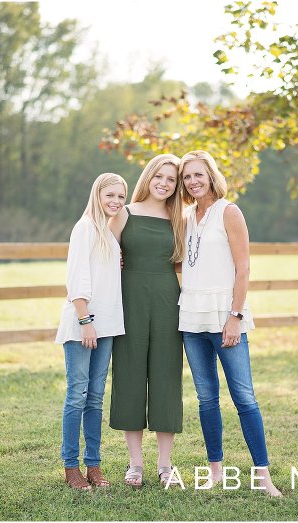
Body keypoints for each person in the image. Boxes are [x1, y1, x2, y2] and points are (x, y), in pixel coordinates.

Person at [177, 150, 282, 496]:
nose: (193, 181)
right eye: (187, 176)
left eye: (198, 175)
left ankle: (263, 477)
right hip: (192, 319)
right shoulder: (187, 216)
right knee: (206, 398)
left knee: (244, 397)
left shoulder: (229, 211)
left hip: (226, 317)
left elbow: (244, 267)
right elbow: (186, 263)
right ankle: (215, 471)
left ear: (211, 176)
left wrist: (235, 317)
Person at [108, 153, 186, 487]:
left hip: (169, 302)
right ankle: (135, 464)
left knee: (167, 377)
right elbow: (103, 256)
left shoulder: (181, 218)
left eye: (171, 179)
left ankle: (165, 464)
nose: (164, 183)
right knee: (129, 374)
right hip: (129, 302)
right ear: (148, 177)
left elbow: (188, 263)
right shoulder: (124, 214)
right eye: (159, 177)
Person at [55, 172, 128, 490]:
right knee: (77, 396)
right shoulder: (84, 229)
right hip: (84, 323)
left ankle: (94, 466)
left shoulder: (109, 233)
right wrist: (85, 321)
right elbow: (77, 278)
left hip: (108, 325)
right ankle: (71, 468)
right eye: (109, 195)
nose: (115, 202)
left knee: (96, 399)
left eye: (120, 197)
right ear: (96, 195)